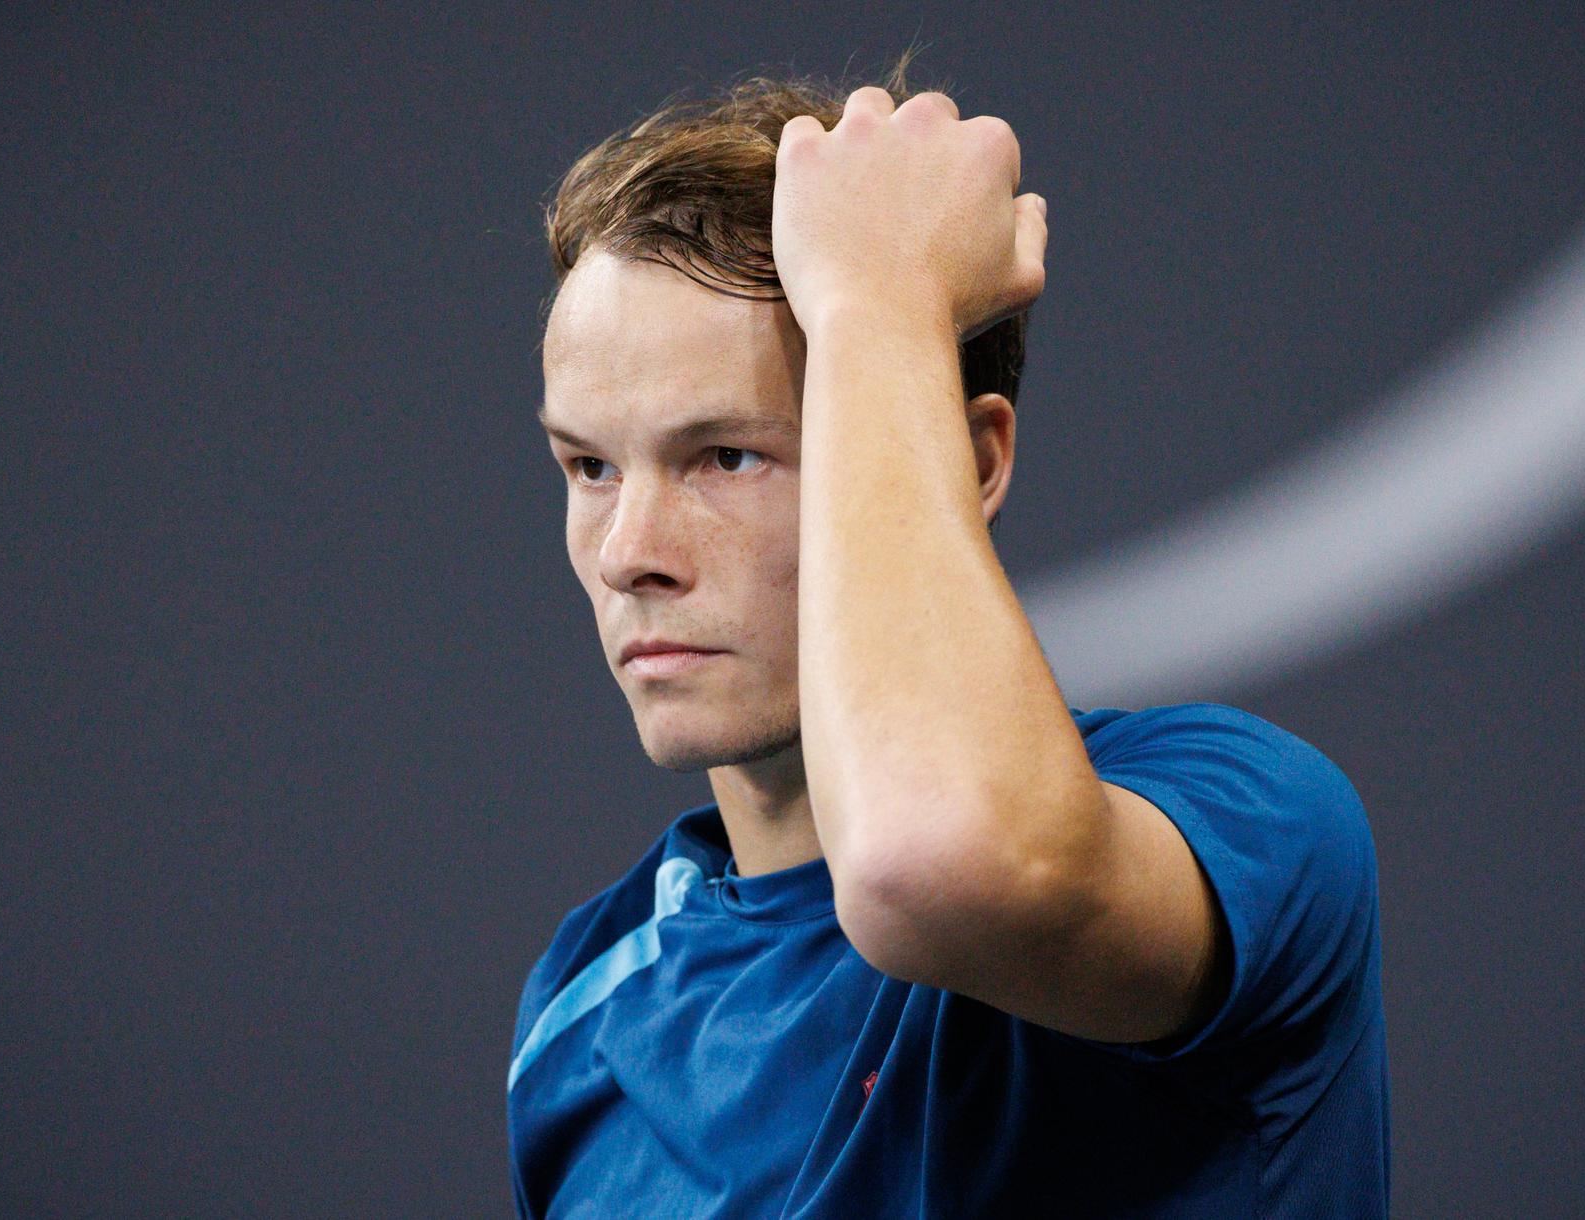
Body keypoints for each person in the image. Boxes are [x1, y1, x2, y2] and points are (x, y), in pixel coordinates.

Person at [508, 53, 1388, 1218]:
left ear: (971, 458)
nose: (629, 548)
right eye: (590, 465)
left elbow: (934, 866)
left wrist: (878, 302)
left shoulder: (1254, 818)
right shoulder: (581, 1007)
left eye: (726, 454)